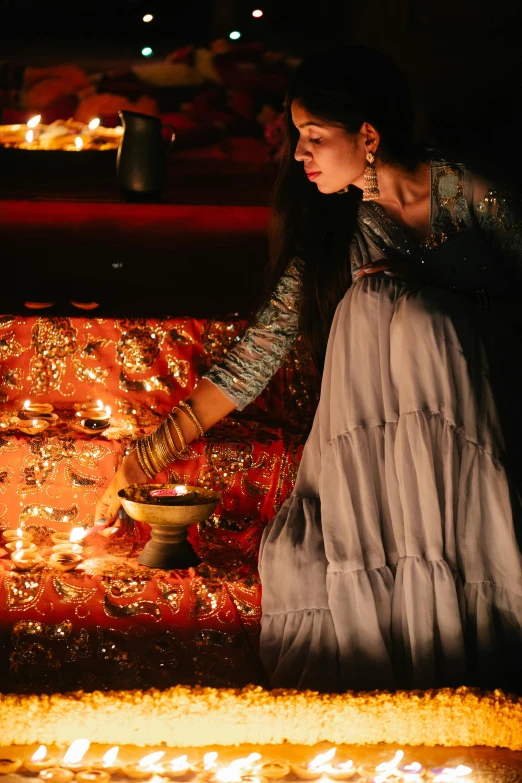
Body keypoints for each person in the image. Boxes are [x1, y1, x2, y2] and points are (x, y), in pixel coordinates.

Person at [95, 46, 522, 693]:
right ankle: (402, 582)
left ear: (369, 136)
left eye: (315, 137)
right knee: (374, 304)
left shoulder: (470, 196)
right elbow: (256, 356)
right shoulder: (339, 235)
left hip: (479, 417)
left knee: (409, 316)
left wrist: (444, 308)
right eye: (298, 137)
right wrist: (145, 457)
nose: (299, 155)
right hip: (384, 460)